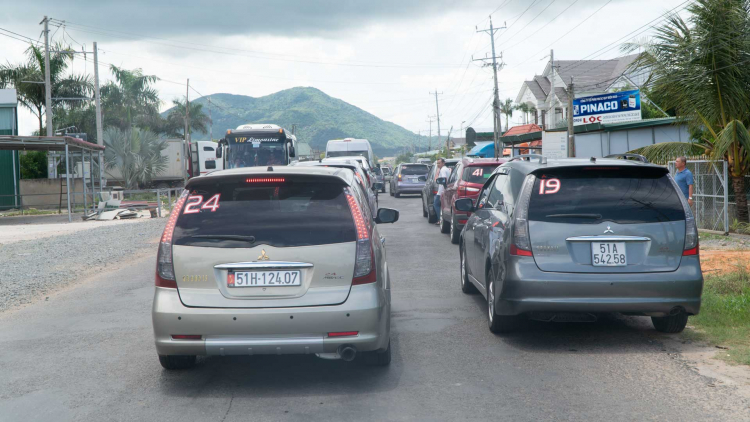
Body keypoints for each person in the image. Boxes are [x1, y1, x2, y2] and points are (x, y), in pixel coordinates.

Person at [434, 158, 451, 225]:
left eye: (439, 163)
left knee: (436, 204)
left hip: (441, 191)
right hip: (444, 190)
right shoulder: (445, 169)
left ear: (443, 163)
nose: (438, 164)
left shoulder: (443, 170)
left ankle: (440, 219)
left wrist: (444, 189)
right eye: (437, 163)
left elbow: (444, 179)